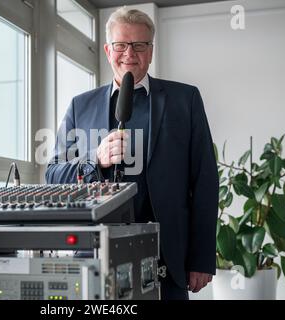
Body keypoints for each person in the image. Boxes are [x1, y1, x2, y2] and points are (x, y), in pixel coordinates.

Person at [45, 7, 218, 300]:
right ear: (107, 50)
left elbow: (205, 181)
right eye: (121, 45)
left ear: (151, 51)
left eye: (139, 45)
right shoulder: (80, 105)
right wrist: (94, 159)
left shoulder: (185, 99)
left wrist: (201, 258)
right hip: (95, 257)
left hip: (168, 258)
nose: (130, 53)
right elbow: (53, 175)